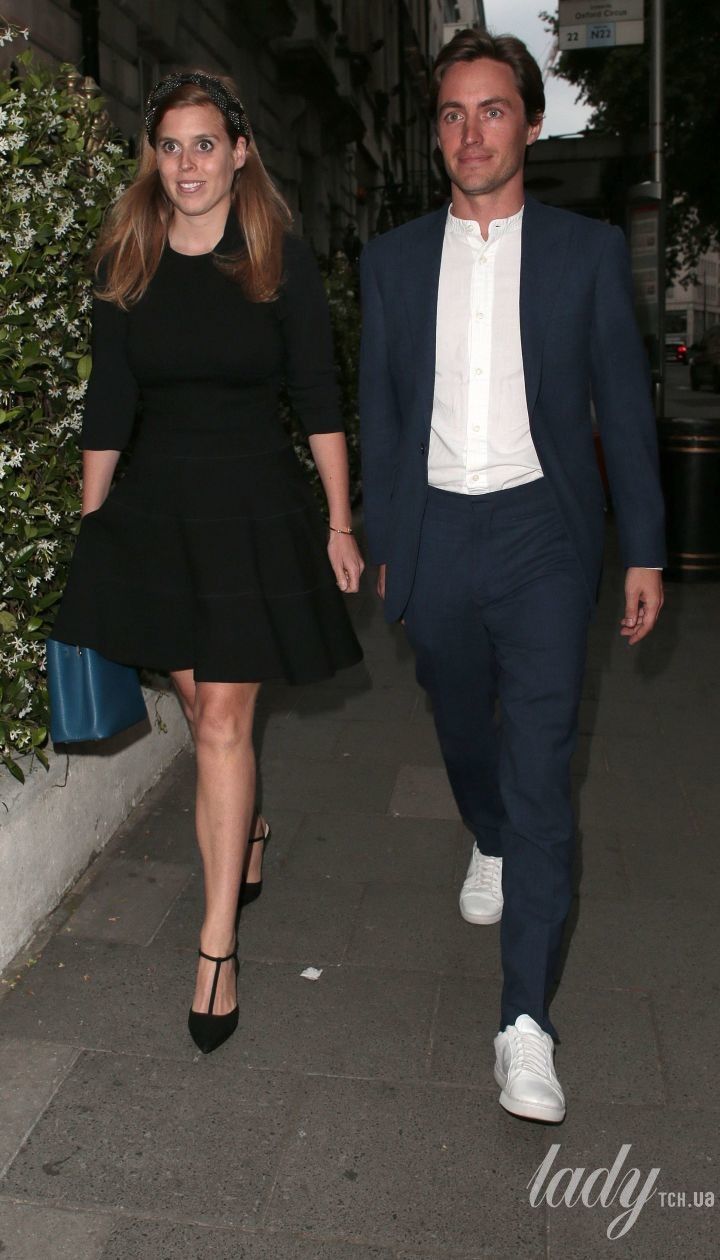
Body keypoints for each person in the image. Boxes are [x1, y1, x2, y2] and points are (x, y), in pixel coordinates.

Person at [359, 29, 665, 1122]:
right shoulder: (393, 261)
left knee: (542, 765)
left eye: (492, 110)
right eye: (452, 114)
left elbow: (623, 404)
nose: (471, 132)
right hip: (438, 529)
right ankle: (483, 832)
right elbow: (382, 408)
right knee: (460, 723)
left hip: (543, 535)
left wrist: (644, 547)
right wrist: (385, 534)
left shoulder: (585, 253)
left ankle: (524, 1024)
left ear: (531, 124)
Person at [53, 70, 364, 1055]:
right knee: (201, 712)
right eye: (170, 146)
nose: (186, 163)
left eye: (203, 143)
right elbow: (110, 402)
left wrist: (340, 522)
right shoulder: (129, 260)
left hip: (253, 510)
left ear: (239, 152)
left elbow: (317, 394)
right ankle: (249, 828)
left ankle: (215, 949)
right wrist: (95, 525)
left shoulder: (277, 258)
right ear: (154, 158)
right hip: (159, 513)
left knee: (225, 722)